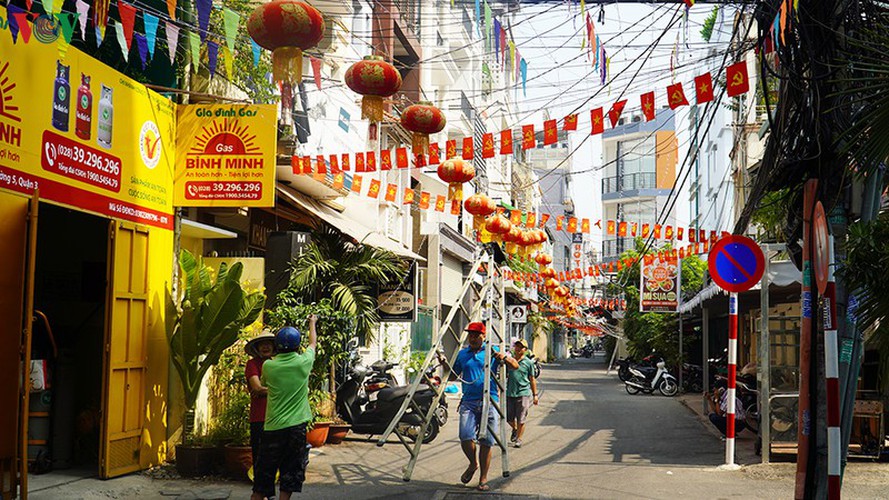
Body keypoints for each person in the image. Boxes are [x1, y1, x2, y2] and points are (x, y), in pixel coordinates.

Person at [251, 315, 317, 500]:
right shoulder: (304, 362)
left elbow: (263, 385)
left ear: (277, 346)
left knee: (264, 473)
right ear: (297, 346)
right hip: (296, 428)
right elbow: (313, 344)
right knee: (290, 471)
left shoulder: (269, 366)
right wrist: (312, 323)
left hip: (273, 427)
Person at [451, 322, 518, 492]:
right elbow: (453, 374)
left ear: (483, 336)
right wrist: (444, 363)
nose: (472, 338)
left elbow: (514, 365)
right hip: (468, 402)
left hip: (490, 401)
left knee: (486, 441)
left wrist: (504, 358)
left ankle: (483, 478)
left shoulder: (492, 351)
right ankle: (473, 464)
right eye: (470, 335)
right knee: (465, 436)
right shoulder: (462, 354)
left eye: (476, 335)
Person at [244, 330, 276, 468]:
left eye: (268, 344)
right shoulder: (252, 364)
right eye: (262, 344)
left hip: (277, 416)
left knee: (276, 453)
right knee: (259, 454)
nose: (265, 347)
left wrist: (266, 391)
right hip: (259, 417)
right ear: (257, 348)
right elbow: (256, 388)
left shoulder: (278, 364)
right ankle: (259, 485)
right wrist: (279, 391)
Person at [506, 339, 538, 448]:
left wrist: (535, 395)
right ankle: (515, 429)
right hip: (510, 392)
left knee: (521, 418)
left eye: (521, 347)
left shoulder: (528, 363)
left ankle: (519, 438)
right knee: (509, 418)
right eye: (516, 346)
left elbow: (532, 379)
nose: (518, 349)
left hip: (523, 393)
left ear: (525, 350)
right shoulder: (509, 361)